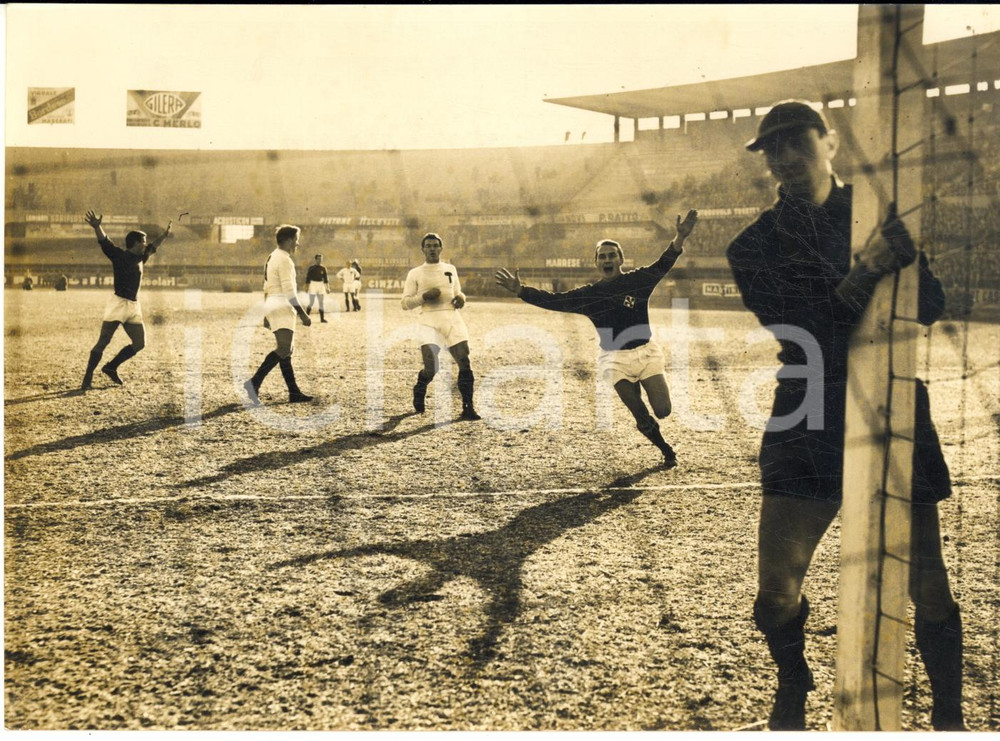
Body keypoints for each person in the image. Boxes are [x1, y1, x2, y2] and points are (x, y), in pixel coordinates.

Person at [726, 100, 963, 731]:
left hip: (892, 405)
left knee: (928, 586)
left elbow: (932, 304)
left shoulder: (877, 213)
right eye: (771, 150)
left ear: (829, 142)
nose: (784, 160)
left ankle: (950, 715)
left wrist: (904, 257)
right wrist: (871, 268)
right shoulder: (752, 246)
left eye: (796, 144)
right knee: (775, 597)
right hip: (808, 412)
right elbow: (811, 335)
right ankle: (793, 679)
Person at [494, 210, 698, 468]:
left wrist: (679, 237)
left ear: (621, 259)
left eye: (612, 255)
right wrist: (522, 291)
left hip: (646, 354)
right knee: (639, 411)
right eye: (602, 256)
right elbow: (554, 300)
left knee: (663, 410)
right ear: (596, 263)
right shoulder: (589, 295)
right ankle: (665, 449)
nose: (607, 259)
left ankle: (649, 407)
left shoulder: (638, 281)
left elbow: (663, 263)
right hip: (614, 360)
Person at [80, 210, 171, 389]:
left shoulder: (141, 257)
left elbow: (155, 246)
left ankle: (111, 367)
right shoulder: (119, 255)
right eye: (143, 242)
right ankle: (87, 378)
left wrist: (165, 235)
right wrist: (98, 227)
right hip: (118, 304)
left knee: (139, 343)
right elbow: (104, 242)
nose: (146, 246)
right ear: (136, 244)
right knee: (104, 341)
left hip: (133, 306)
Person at [402, 232, 480, 421]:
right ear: (422, 249)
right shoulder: (415, 273)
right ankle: (420, 389)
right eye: (428, 246)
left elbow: (458, 292)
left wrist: (462, 298)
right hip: (428, 320)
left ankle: (468, 407)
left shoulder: (450, 268)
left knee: (464, 361)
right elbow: (405, 303)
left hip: (452, 317)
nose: (432, 249)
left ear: (441, 248)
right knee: (431, 368)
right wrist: (424, 297)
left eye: (435, 245)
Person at [243, 224, 313, 405]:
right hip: (282, 305)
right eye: (296, 240)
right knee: (283, 349)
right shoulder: (284, 260)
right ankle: (253, 383)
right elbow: (289, 291)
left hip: (274, 304)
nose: (297, 244)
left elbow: (266, 287)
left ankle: (294, 392)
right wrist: (303, 314)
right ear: (289, 240)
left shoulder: (272, 257)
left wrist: (266, 312)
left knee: (286, 351)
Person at [304, 254, 329, 323]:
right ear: (315, 259)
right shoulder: (311, 268)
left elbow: (326, 279)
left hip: (320, 285)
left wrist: (327, 288)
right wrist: (306, 287)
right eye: (318, 259)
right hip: (313, 285)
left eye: (321, 259)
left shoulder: (323, 268)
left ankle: (322, 319)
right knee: (311, 302)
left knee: (321, 302)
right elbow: (308, 278)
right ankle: (306, 318)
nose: (320, 260)